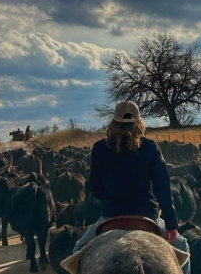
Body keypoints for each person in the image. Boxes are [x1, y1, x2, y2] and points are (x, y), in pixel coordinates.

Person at [69, 101, 190, 274]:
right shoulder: (150, 147)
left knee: (77, 253)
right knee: (182, 247)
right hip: (147, 216)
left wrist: (111, 197)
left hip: (111, 216)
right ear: (139, 123)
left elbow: (95, 188)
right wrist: (171, 224)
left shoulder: (99, 148)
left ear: (114, 122)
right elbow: (163, 189)